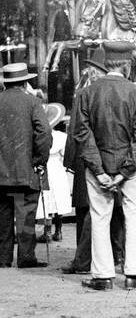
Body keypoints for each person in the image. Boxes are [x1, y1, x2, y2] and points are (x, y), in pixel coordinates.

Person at [71, 41, 136, 290]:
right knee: (134, 217)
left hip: (99, 167)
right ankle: (133, 274)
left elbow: (82, 135)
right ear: (127, 65)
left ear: (105, 65)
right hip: (131, 169)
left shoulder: (86, 93)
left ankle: (103, 276)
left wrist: (100, 171)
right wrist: (124, 171)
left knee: (99, 218)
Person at [0, 63, 51, 269]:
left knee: (3, 215)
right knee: (26, 214)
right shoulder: (32, 102)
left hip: (1, 173)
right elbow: (44, 134)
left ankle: (3, 258)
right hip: (25, 171)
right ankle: (25, 257)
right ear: (25, 82)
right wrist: (39, 160)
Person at [37, 103, 71, 243]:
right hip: (57, 168)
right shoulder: (62, 137)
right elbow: (65, 155)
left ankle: (47, 231)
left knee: (46, 197)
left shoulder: (38, 137)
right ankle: (59, 231)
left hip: (45, 168)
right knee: (59, 198)